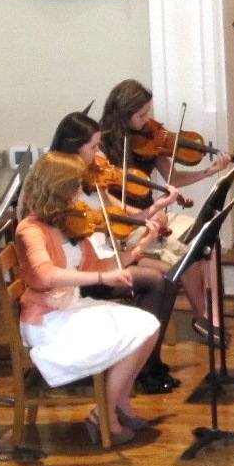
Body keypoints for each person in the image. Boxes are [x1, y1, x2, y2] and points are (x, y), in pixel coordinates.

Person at [15, 151, 160, 445]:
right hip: (46, 322)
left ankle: (115, 404)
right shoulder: (29, 230)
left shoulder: (68, 222)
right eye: (75, 186)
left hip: (71, 308)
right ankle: (105, 413)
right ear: (57, 189)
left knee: (148, 327)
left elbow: (101, 265)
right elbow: (46, 275)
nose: (81, 193)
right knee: (135, 332)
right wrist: (101, 280)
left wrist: (140, 248)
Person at [50, 111, 182, 394]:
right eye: (93, 147)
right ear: (72, 148)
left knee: (170, 276)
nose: (100, 155)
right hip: (83, 273)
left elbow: (122, 219)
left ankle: (147, 360)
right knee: (156, 281)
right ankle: (144, 368)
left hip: (103, 257)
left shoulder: (93, 181)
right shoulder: (61, 188)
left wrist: (158, 206)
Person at [99, 79, 233, 344]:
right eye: (141, 115)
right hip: (128, 225)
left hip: (156, 215)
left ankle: (212, 318)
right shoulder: (101, 148)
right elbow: (105, 202)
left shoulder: (150, 139)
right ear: (123, 114)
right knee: (188, 251)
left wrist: (209, 171)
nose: (146, 120)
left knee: (208, 240)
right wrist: (148, 212)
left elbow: (173, 177)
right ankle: (202, 316)